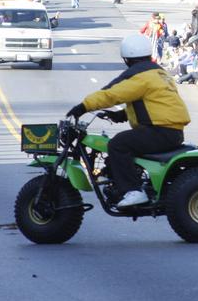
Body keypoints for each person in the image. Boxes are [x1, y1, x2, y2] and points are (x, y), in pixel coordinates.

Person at [65, 34, 191, 208]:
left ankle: (134, 190)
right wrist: (122, 115)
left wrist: (83, 106)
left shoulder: (140, 77)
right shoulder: (158, 73)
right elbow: (155, 104)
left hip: (160, 132)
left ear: (127, 59)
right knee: (126, 141)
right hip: (171, 132)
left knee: (118, 144)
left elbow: (113, 94)